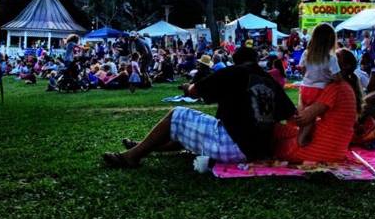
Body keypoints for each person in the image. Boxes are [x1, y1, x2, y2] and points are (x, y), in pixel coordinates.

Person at [103, 47, 297, 168]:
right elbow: (291, 115)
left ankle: (132, 156)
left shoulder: (233, 72)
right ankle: (143, 147)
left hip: (232, 146)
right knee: (190, 127)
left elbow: (194, 92)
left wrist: (187, 88)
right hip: (257, 150)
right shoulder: (269, 81)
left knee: (177, 115)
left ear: (236, 61)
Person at [272, 48, 362, 163]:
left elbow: (304, 118)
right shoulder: (345, 87)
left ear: (346, 66)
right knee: (284, 132)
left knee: (276, 136)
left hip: (322, 149)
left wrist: (304, 91)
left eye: (336, 56)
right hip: (335, 148)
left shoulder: (336, 87)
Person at [298, 23, 342, 146]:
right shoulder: (330, 59)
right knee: (312, 116)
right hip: (320, 90)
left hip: (305, 87)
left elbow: (302, 70)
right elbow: (337, 78)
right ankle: (302, 138)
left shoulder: (306, 54)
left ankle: (302, 134)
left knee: (305, 115)